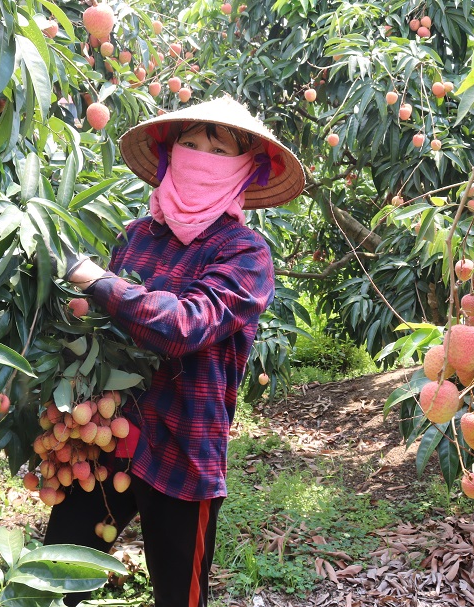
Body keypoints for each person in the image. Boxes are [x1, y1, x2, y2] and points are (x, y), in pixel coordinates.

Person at [45, 96, 304, 607]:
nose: (201, 157)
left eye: (219, 150)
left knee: (178, 597)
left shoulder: (245, 253)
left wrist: (99, 281)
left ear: (245, 169)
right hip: (107, 435)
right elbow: (101, 328)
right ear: (170, 154)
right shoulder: (135, 237)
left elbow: (186, 325)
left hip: (182, 448)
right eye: (190, 143)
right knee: (51, 579)